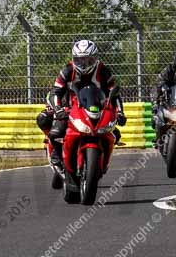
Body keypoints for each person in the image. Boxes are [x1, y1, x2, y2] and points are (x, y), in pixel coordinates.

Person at [42, 40, 126, 168]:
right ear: (74, 58)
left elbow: (114, 93)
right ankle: (57, 155)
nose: (84, 64)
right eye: (79, 60)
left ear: (95, 58)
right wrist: (58, 109)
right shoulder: (67, 70)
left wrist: (120, 112)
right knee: (56, 132)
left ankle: (102, 160)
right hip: (69, 108)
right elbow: (56, 92)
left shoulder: (103, 70)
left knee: (115, 133)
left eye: (88, 60)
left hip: (97, 109)